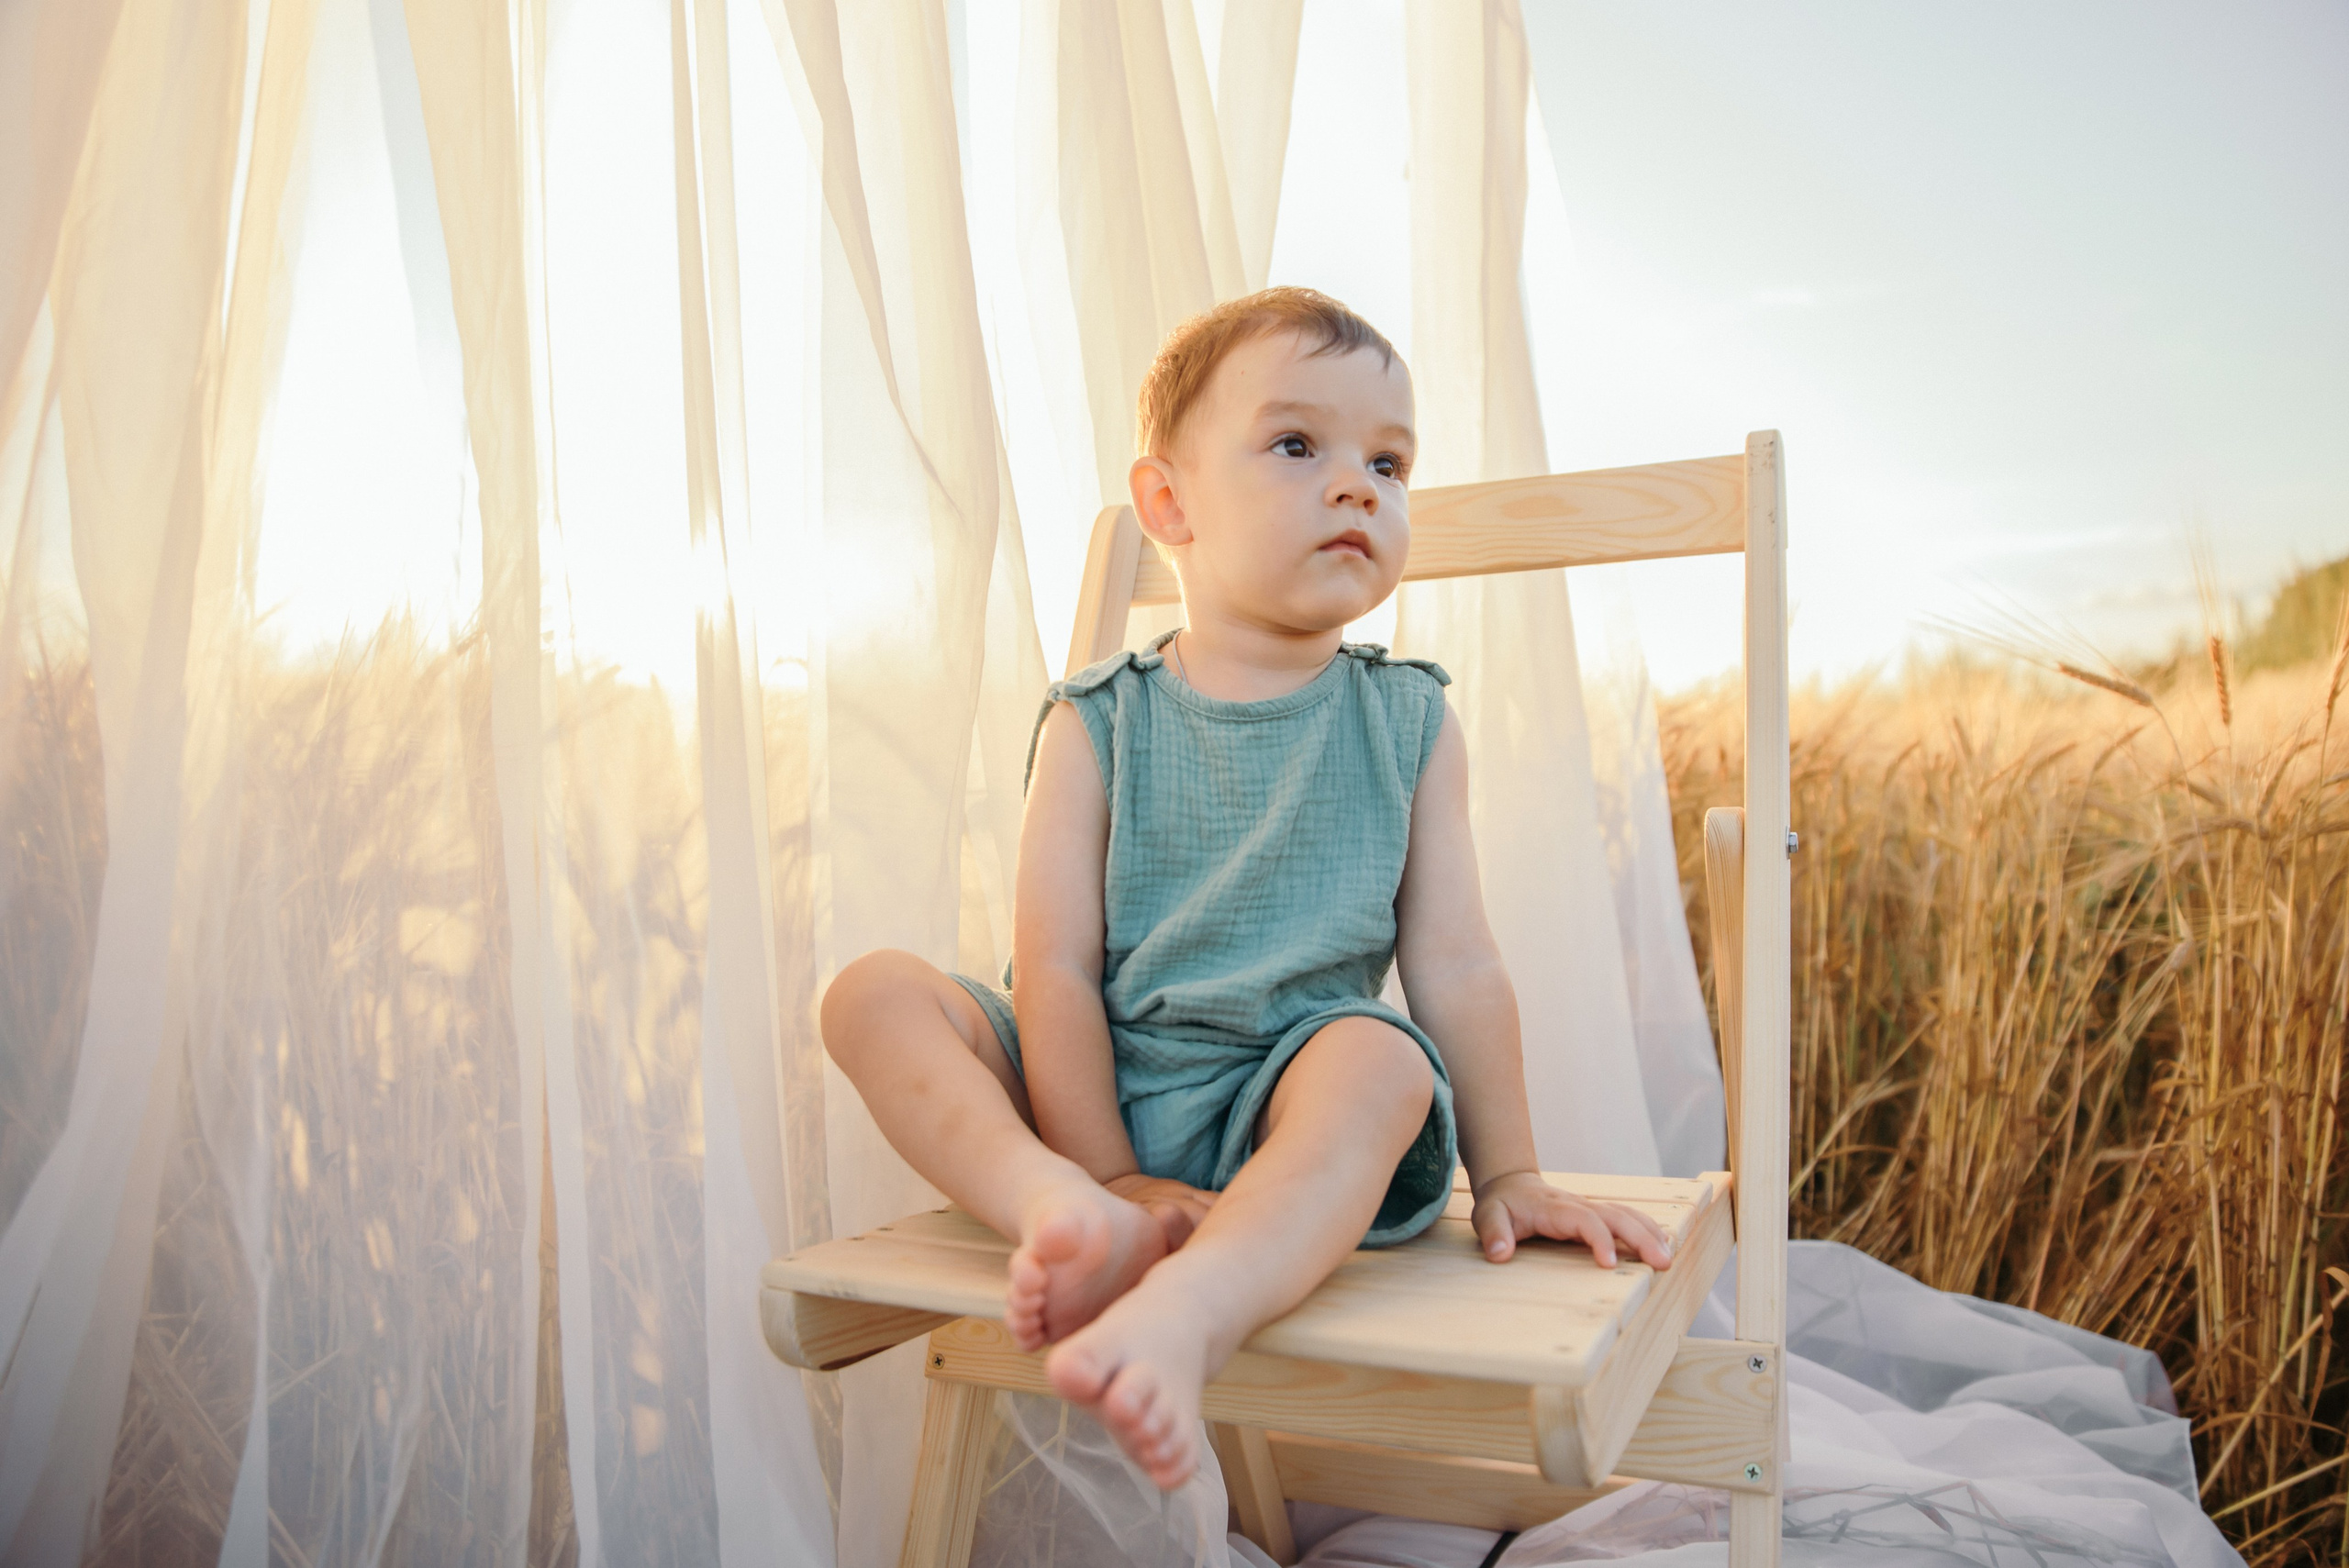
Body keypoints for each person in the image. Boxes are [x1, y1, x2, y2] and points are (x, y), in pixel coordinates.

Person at [820, 286, 1674, 1490]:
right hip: (1085, 1083)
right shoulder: (1096, 721)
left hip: (1283, 1103)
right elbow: (1055, 967)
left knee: (1382, 1059)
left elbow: (1459, 963)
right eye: (1296, 445)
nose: (1356, 485)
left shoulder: (1408, 719)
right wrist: (1102, 1167)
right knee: (871, 993)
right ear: (1169, 501)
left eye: (1390, 461)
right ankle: (1060, 1210)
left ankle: (1190, 1311)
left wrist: (1515, 1170)